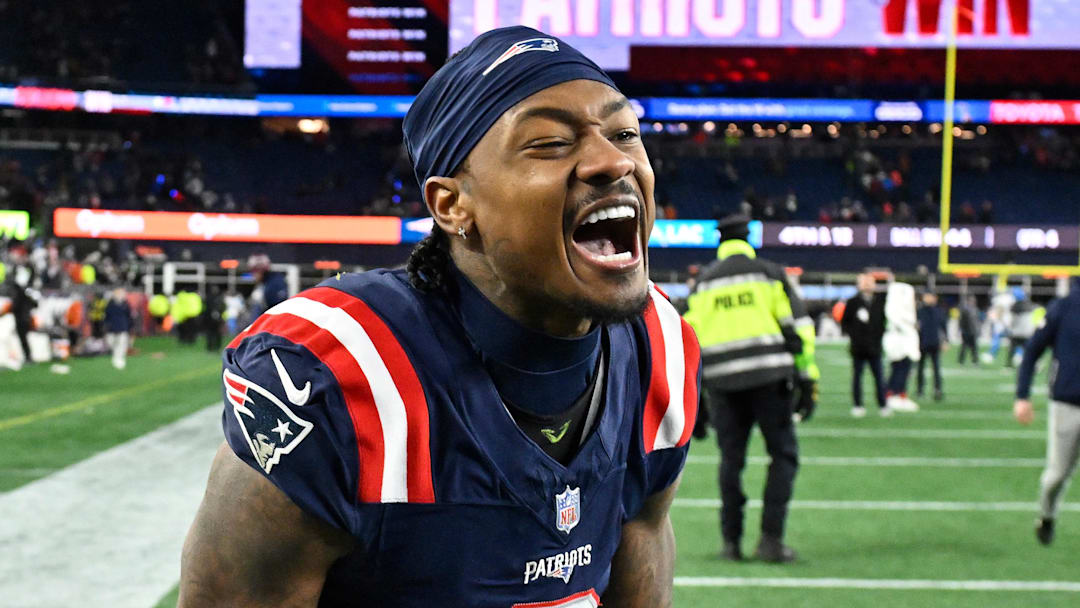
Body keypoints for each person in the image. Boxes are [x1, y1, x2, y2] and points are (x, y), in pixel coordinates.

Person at [179, 26, 701, 608]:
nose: (611, 160)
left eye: (625, 132)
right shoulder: (339, 374)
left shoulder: (660, 347)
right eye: (550, 142)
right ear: (453, 206)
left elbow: (645, 544)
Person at [683, 213, 819, 563]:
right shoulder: (770, 273)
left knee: (731, 461)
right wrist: (807, 377)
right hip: (770, 379)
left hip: (722, 384)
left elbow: (689, 341)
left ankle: (731, 542)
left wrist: (695, 399)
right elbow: (798, 328)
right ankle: (770, 540)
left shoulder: (704, 283)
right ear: (748, 239)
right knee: (783, 455)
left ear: (721, 243)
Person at [1013, 277, 1080, 546]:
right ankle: (1047, 516)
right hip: (1067, 402)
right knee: (1057, 474)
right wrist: (1022, 396)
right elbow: (1032, 351)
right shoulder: (1064, 306)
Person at [841, 272, 887, 417]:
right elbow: (845, 322)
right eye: (864, 282)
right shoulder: (853, 302)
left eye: (870, 282)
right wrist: (855, 336)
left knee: (879, 377)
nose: (867, 285)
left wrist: (879, 336)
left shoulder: (881, 301)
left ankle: (883, 404)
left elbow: (883, 322)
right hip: (859, 347)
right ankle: (858, 404)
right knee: (857, 377)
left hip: (875, 347)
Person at [883, 280, 920, 412]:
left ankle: (899, 394)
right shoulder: (895, 309)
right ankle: (893, 394)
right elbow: (895, 318)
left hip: (904, 339)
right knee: (899, 367)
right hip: (898, 339)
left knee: (904, 367)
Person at [916, 291, 947, 401]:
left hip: (934, 343)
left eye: (930, 297)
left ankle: (937, 389)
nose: (928, 299)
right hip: (922, 343)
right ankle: (920, 390)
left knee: (936, 368)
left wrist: (945, 341)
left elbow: (944, 328)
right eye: (926, 296)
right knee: (920, 368)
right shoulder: (919, 311)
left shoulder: (939, 311)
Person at [103, 287, 132, 370]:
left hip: (123, 326)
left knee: (122, 343)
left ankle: (119, 358)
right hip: (112, 327)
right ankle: (115, 356)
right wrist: (106, 325)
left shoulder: (125, 304)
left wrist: (130, 326)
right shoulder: (110, 304)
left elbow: (129, 316)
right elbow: (106, 316)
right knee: (111, 342)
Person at [957, 295, 980, 365]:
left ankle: (975, 361)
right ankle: (961, 361)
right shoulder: (965, 310)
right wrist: (961, 329)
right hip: (966, 331)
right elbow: (961, 321)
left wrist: (977, 330)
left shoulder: (976, 310)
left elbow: (977, 322)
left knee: (974, 348)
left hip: (973, 332)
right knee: (964, 347)